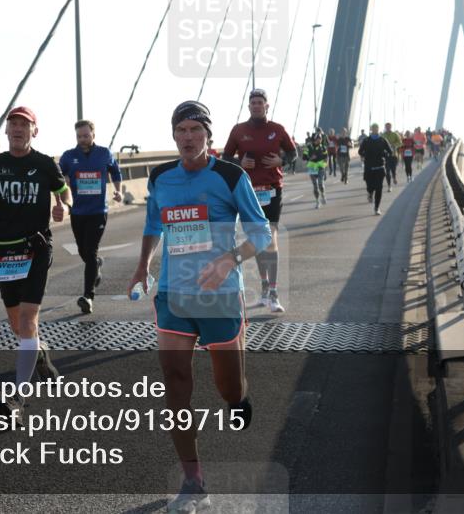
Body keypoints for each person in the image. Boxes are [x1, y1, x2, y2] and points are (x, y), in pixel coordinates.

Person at [128, 100, 271, 513]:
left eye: (195, 129)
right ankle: (193, 481)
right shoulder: (160, 178)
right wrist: (142, 266)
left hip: (221, 297)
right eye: (181, 130)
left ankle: (240, 399)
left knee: (228, 388)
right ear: (173, 135)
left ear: (208, 134)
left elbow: (261, 232)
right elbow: (154, 223)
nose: (187, 137)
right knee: (175, 382)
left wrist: (230, 259)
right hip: (174, 295)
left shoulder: (230, 176)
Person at [0, 106, 71, 423]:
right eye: (13, 124)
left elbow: (65, 194)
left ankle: (17, 398)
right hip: (5, 251)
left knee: (28, 320)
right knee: (18, 325)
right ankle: (39, 353)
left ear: (34, 131)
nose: (17, 129)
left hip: (36, 248)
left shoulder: (44, 164)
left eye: (24, 125)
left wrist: (64, 210)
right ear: (7, 131)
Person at [222, 88, 297, 313]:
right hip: (248, 192)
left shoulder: (277, 129)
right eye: (253, 102)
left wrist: (280, 160)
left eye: (260, 102)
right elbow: (226, 158)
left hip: (273, 190)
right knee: (256, 240)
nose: (256, 105)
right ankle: (265, 289)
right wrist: (239, 163)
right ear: (249, 107)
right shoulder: (238, 130)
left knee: (270, 238)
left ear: (267, 106)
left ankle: (273, 293)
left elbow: (293, 154)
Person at [59, 119, 123, 314]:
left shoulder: (104, 153)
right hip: (77, 211)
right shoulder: (69, 156)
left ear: (93, 135)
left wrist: (118, 191)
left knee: (91, 251)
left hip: (98, 212)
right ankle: (96, 266)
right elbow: (58, 177)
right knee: (84, 252)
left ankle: (88, 296)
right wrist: (64, 184)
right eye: (79, 136)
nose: (83, 139)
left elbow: (116, 172)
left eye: (86, 136)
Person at [358, 123, 395, 216]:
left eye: (376, 128)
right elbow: (360, 151)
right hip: (369, 168)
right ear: (371, 129)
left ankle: (377, 208)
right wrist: (364, 155)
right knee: (370, 187)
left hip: (380, 167)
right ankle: (370, 193)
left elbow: (390, 151)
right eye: (373, 128)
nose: (375, 129)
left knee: (379, 188)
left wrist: (386, 154)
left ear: (378, 129)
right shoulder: (366, 140)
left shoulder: (383, 140)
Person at [304, 132, 328, 208]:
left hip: (321, 167)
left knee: (320, 183)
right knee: (315, 186)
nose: (319, 140)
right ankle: (317, 201)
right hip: (312, 168)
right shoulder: (309, 147)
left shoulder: (323, 147)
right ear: (315, 139)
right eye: (318, 139)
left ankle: (323, 195)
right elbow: (304, 157)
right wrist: (310, 158)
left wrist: (325, 164)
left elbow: (326, 157)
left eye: (320, 139)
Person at [382, 123, 403, 192]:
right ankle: (389, 186)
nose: (388, 128)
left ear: (391, 127)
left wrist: (393, 145)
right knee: (387, 171)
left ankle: (394, 177)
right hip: (386, 156)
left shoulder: (395, 134)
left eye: (389, 127)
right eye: (386, 127)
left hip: (394, 155)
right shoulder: (383, 135)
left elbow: (400, 143)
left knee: (393, 169)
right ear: (385, 127)